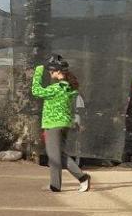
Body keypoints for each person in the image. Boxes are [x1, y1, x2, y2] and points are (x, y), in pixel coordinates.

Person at [32, 60, 90, 193]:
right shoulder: (70, 88)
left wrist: (38, 70)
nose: (50, 72)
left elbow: (36, 91)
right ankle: (56, 184)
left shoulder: (56, 88)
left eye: (51, 70)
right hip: (65, 124)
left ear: (58, 72)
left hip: (54, 124)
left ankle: (82, 178)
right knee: (58, 155)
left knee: (54, 157)